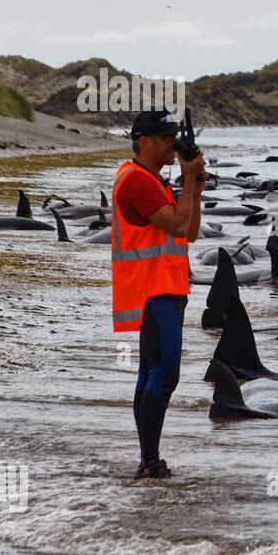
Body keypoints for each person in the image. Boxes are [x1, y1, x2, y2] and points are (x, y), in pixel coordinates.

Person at [111, 109, 206, 478]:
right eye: (166, 139)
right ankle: (149, 461)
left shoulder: (155, 181)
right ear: (145, 141)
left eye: (174, 138)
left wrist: (192, 188)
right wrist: (187, 175)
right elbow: (179, 223)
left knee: (152, 372)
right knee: (164, 373)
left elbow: (189, 231)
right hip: (153, 289)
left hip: (168, 287)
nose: (172, 145)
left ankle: (148, 459)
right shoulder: (136, 181)